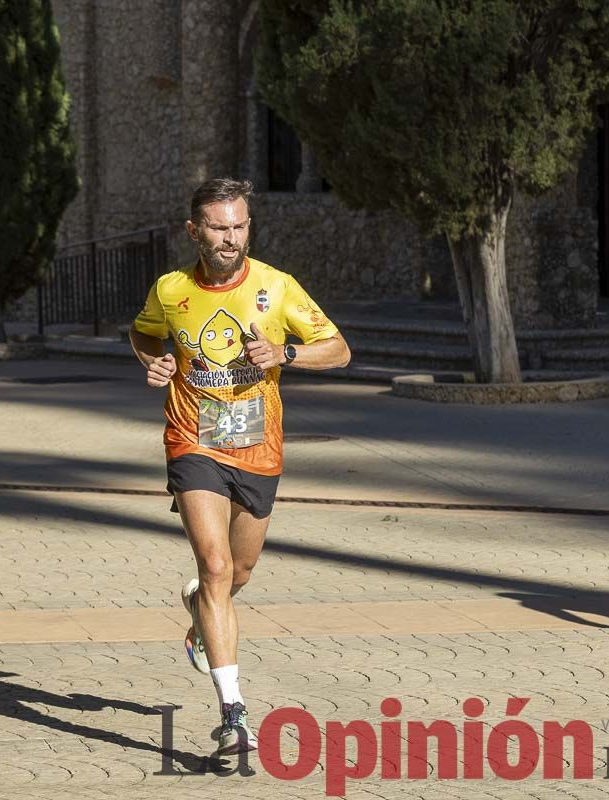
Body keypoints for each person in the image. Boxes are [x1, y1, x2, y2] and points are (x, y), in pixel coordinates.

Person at [130, 177, 351, 755]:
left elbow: (340, 348)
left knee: (239, 574)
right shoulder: (171, 289)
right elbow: (145, 334)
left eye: (240, 226)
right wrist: (156, 362)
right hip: (193, 440)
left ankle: (200, 616)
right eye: (219, 227)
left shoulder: (276, 287)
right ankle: (234, 716)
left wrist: (287, 353)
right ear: (193, 230)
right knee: (215, 565)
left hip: (258, 447)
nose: (231, 238)